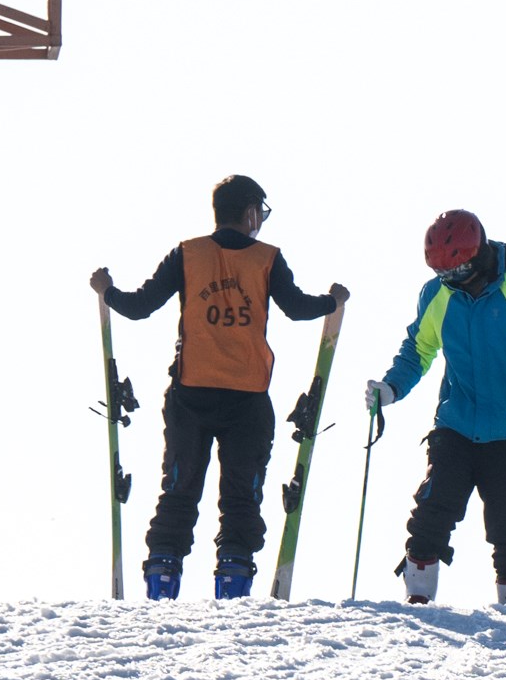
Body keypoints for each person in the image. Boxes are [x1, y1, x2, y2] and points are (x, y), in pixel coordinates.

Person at [90, 174, 345, 599]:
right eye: (260, 213)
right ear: (248, 213)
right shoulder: (268, 259)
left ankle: (162, 585)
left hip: (190, 396)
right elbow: (298, 308)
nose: (260, 221)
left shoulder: (188, 254)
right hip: (247, 399)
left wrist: (107, 291)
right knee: (241, 499)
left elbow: (140, 306)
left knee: (178, 491)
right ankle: (232, 588)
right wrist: (333, 302)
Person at [366, 210, 506, 611]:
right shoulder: (437, 294)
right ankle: (417, 598)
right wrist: (392, 388)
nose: (450, 279)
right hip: (456, 423)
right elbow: (419, 349)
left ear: (477, 255)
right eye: (442, 271)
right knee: (433, 506)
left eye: (456, 269)